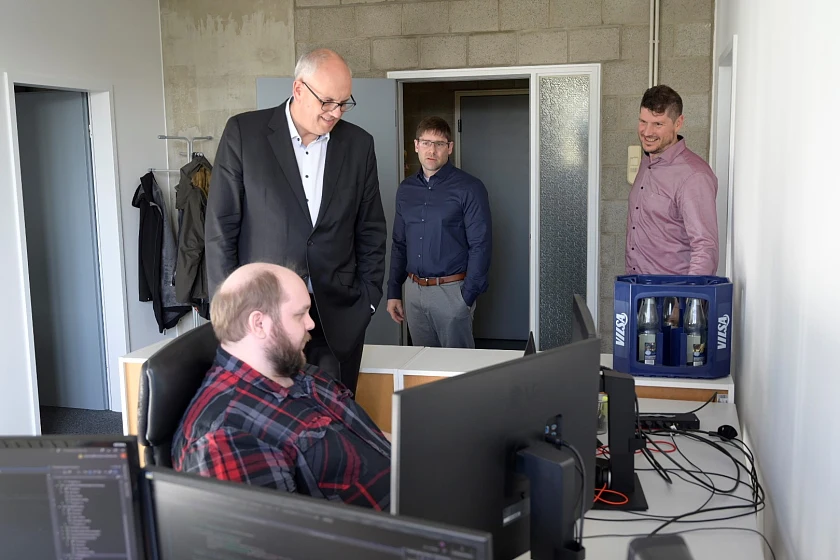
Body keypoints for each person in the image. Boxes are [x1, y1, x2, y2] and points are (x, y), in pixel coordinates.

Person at [205, 49, 386, 395]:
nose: (336, 112)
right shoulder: (244, 134)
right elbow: (220, 228)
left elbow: (371, 229)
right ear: (299, 88)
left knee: (334, 421)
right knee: (266, 421)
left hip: (337, 318)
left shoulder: (359, 145)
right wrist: (228, 310)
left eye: (344, 103)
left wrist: (369, 300)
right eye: (328, 101)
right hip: (262, 318)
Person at [172, 263, 391, 511]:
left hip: (411, 497)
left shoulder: (301, 372)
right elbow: (276, 544)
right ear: (259, 324)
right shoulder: (226, 436)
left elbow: (366, 438)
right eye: (300, 314)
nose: (311, 324)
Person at [386, 117, 491, 348]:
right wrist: (394, 290)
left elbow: (480, 245)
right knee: (423, 369)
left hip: (452, 293)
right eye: (426, 142)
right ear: (416, 145)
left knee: (457, 372)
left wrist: (466, 298)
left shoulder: (469, 188)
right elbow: (399, 243)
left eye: (439, 144)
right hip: (413, 293)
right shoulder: (406, 190)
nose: (431, 150)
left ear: (450, 148)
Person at [626, 85, 719, 276]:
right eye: (643, 121)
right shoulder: (648, 161)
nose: (647, 132)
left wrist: (687, 299)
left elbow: (705, 248)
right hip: (638, 292)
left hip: (672, 298)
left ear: (678, 123)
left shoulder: (693, 176)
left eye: (658, 124)